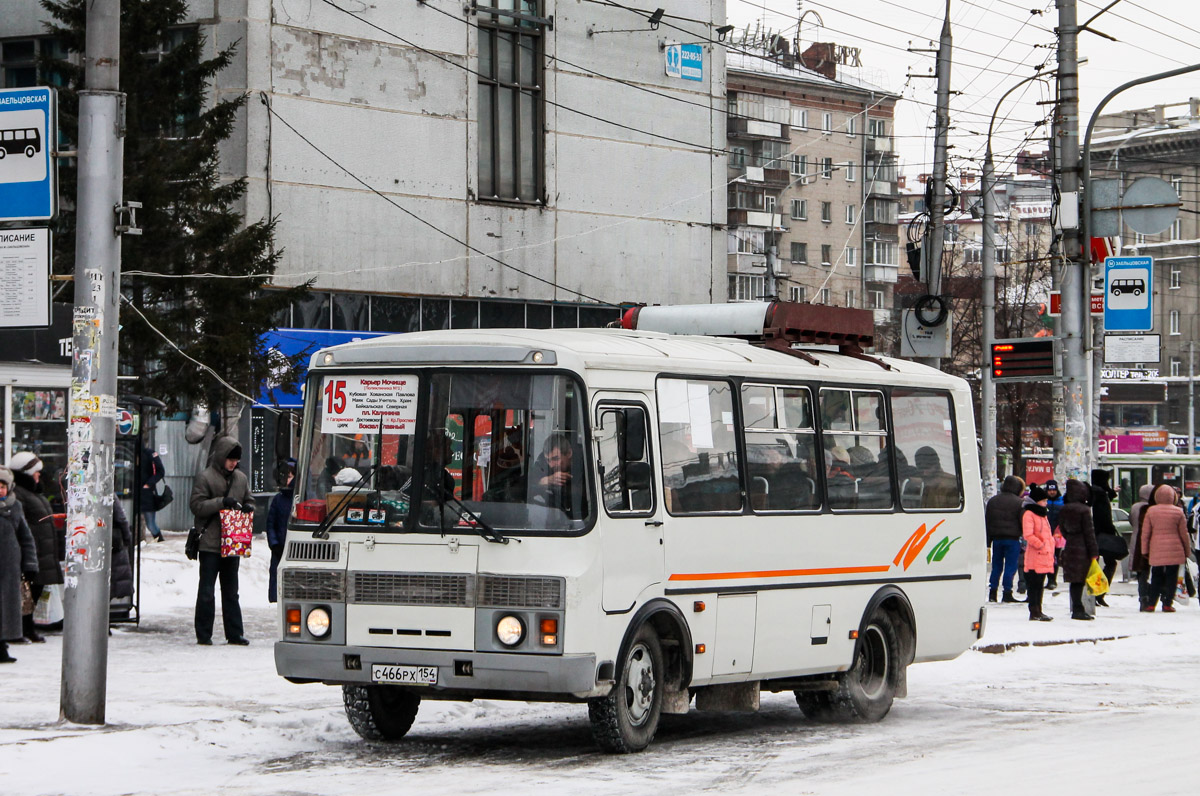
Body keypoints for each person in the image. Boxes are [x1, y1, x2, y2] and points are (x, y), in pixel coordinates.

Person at [189, 436, 254, 646]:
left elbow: (249, 499)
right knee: (207, 591)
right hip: (210, 543)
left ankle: (235, 633)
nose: (233, 463)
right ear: (220, 457)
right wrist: (221, 503)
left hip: (233, 542)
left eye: (236, 460)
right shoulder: (205, 477)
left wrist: (249, 507)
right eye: (230, 459)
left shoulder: (241, 479)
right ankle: (204, 634)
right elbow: (197, 506)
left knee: (231, 592)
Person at [6, 452, 62, 643]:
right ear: (27, 472)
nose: (39, 475)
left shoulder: (32, 493)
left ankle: (27, 628)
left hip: (40, 552)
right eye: (36, 472)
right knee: (26, 593)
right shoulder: (20, 495)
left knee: (33, 592)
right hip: (32, 552)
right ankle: (21, 629)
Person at [0, 466, 38, 663]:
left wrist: (30, 564)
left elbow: (26, 537)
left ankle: (2, 645)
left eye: (3, 486)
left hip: (9, 566)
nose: (0, 490)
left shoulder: (15, 506)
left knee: (6, 607)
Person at [1140, 483, 1191, 613]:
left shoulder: (1151, 511)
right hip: (1175, 549)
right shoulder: (1178, 511)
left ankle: (1151, 603)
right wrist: (1187, 550)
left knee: (1156, 576)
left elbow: (1145, 534)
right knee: (1171, 577)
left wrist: (1144, 550)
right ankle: (1167, 603)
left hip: (1156, 549)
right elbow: (1184, 534)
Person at [1058, 478, 1099, 621]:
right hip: (1083, 548)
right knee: (1080, 580)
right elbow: (1089, 533)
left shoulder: (1064, 508)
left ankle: (1077, 607)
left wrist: (1070, 537)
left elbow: (1062, 528)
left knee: (1074, 581)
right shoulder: (1085, 510)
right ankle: (1078, 610)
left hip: (1070, 546)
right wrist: (1094, 552)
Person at [985, 475, 1025, 603]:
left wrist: (988, 541)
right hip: (1013, 539)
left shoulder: (993, 501)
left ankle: (993, 592)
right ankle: (1007, 592)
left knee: (996, 566)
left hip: (997, 539)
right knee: (1010, 566)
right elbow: (1022, 522)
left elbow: (988, 522)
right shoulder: (1019, 502)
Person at [530, 433, 583, 518]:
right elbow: (530, 482)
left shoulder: (584, 460)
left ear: (569, 453)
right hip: (553, 515)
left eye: (556, 459)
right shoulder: (543, 461)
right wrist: (546, 480)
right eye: (548, 460)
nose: (551, 465)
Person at [1022, 485, 1054, 621]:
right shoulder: (1029, 514)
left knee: (1040, 585)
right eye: (1044, 500)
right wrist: (1041, 545)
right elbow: (1028, 535)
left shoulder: (1043, 514)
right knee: (1034, 585)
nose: (1046, 503)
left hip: (1045, 554)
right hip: (1036, 555)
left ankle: (1039, 610)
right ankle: (1034, 611)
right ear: (1037, 501)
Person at [1089, 469, 1121, 607]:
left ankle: (1096, 592)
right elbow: (1104, 515)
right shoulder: (1101, 494)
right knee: (1110, 563)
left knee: (1093, 564)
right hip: (1103, 534)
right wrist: (1111, 531)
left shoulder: (1091, 492)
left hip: (1092, 533)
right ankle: (1098, 592)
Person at [266, 459, 296, 603]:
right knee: (278, 585)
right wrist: (274, 544)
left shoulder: (302, 497)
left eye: (290, 476)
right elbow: (271, 524)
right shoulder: (278, 499)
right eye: (285, 476)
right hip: (280, 549)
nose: (287, 480)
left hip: (296, 550)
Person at [1128, 483, 1155, 609]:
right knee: (1150, 571)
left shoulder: (1134, 507)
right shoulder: (1151, 508)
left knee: (1141, 572)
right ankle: (1149, 597)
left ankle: (1142, 597)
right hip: (1149, 540)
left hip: (1135, 539)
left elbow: (1131, 521)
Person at [109, 499, 134, 612]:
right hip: (113, 546)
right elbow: (121, 519)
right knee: (109, 585)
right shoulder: (109, 495)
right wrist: (127, 538)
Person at [140, 445, 165, 542]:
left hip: (147, 494)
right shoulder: (133, 452)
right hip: (136, 492)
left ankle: (160, 541)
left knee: (150, 524)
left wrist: (148, 484)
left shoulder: (149, 453)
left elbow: (160, 471)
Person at [1043, 479, 1064, 589]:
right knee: (1044, 557)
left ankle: (1052, 580)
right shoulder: (1043, 501)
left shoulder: (1062, 501)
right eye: (1050, 490)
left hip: (1057, 535)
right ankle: (1046, 578)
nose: (1052, 492)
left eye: (1054, 490)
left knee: (1054, 557)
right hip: (1044, 535)